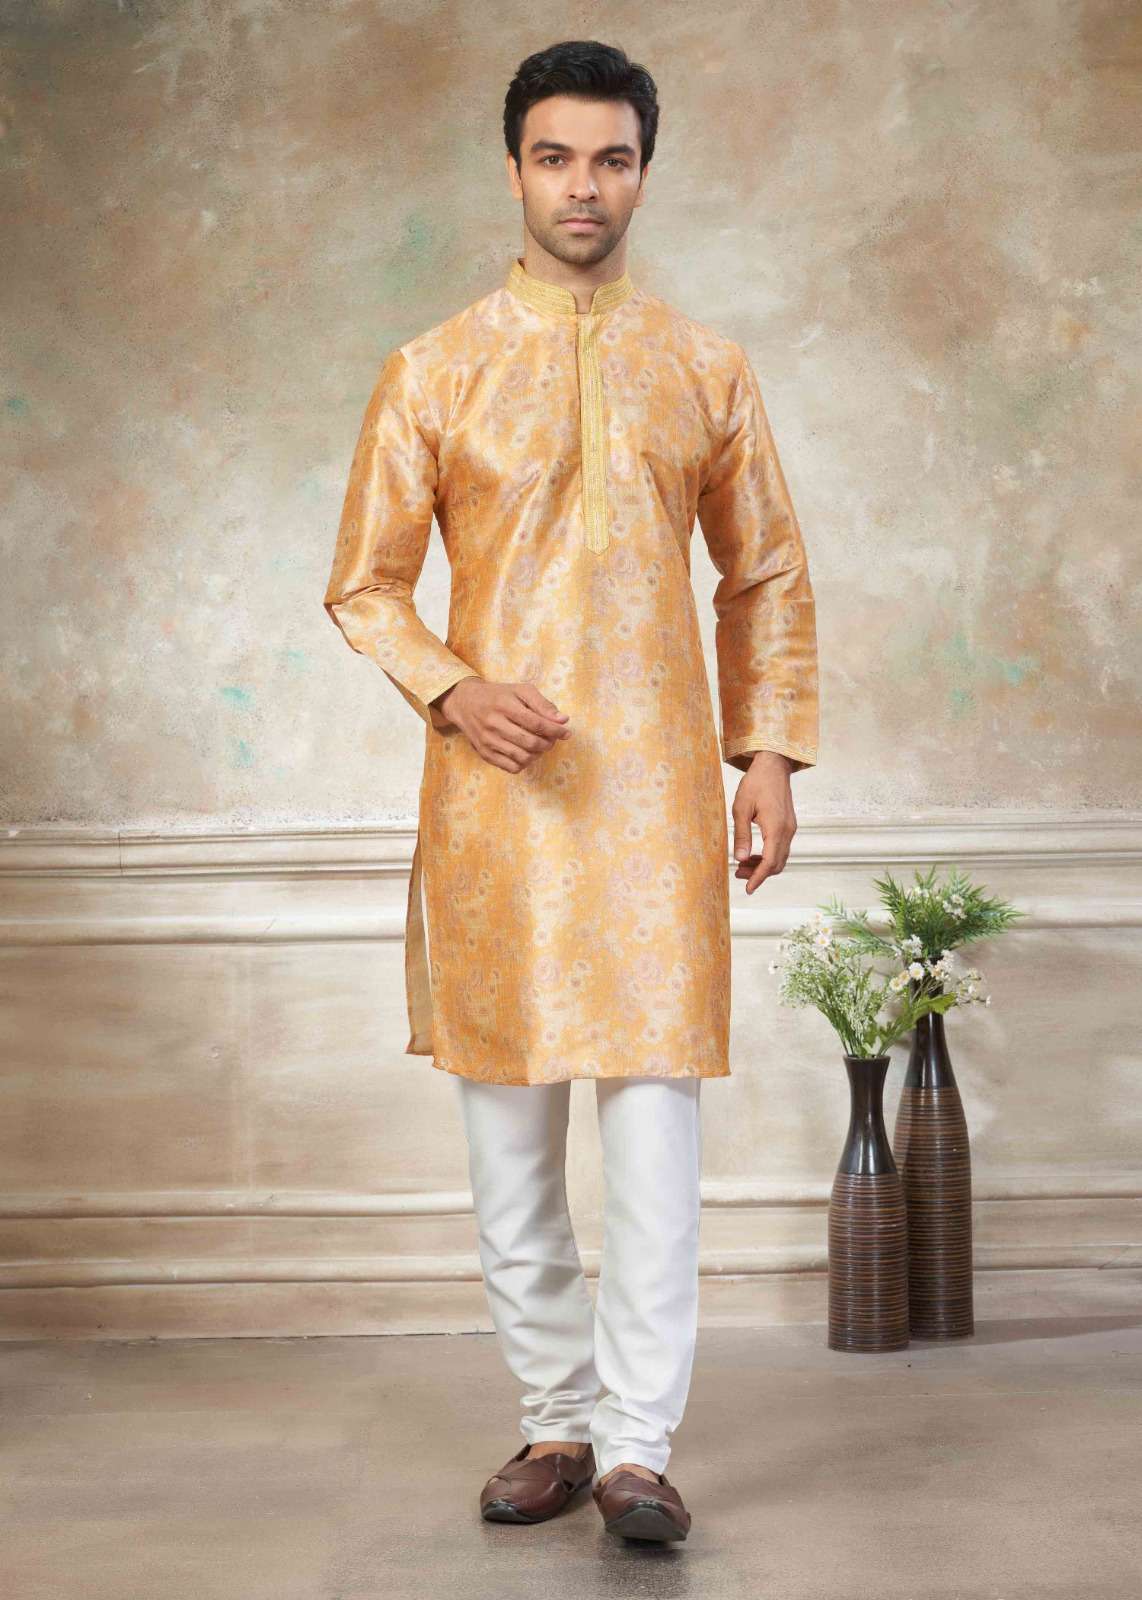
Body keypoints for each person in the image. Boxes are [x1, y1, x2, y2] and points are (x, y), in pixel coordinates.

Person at [323, 39, 819, 1542]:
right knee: (510, 1134)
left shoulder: (704, 368)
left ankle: (637, 1450)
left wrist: (766, 754)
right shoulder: (435, 370)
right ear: (515, 172)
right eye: (556, 158)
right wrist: (454, 689)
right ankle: (553, 1419)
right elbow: (365, 585)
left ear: (643, 174)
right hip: (501, 804)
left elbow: (763, 573)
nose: (583, 186)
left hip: (656, 802)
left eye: (611, 159)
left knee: (656, 1130)